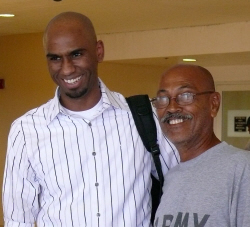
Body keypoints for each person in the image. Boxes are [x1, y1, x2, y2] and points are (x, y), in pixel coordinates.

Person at [2, 12, 179, 227]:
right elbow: (18, 220)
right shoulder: (26, 130)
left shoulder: (143, 118)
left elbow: (182, 183)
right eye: (55, 58)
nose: (66, 68)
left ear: (99, 51)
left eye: (76, 54)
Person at [151, 64, 250, 226]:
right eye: (163, 99)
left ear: (214, 104)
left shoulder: (242, 169)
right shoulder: (172, 177)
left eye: (185, 95)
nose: (172, 107)